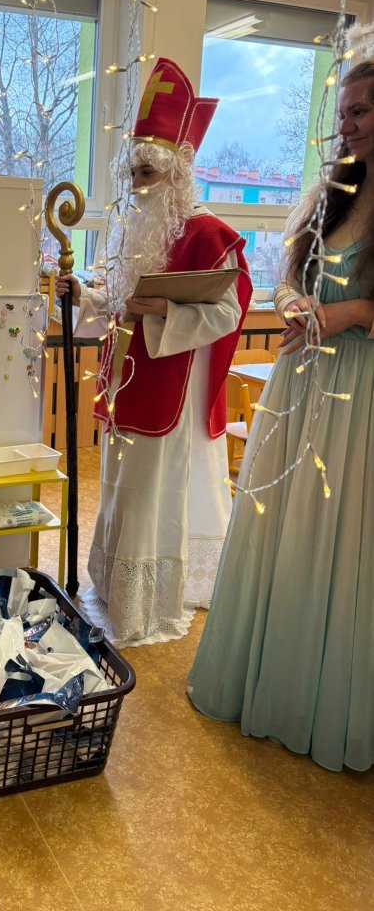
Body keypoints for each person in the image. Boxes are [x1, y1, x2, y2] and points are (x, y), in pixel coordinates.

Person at [187, 57, 374, 772]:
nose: (346, 126)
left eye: (360, 111)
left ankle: (322, 698)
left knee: (337, 535)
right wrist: (294, 303)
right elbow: (288, 279)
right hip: (303, 383)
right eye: (343, 112)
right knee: (286, 532)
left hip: (357, 396)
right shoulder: (335, 193)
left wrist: (348, 313)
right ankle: (269, 674)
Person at [56, 58, 252, 648]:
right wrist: (84, 295)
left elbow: (228, 313)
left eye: (150, 172)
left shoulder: (209, 234)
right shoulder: (136, 226)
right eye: (134, 172)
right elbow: (122, 307)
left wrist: (165, 310)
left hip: (174, 387)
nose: (139, 183)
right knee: (121, 484)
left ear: (177, 174)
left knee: (153, 493)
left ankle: (149, 603)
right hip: (128, 382)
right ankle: (115, 589)